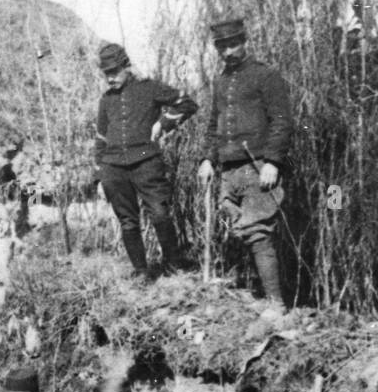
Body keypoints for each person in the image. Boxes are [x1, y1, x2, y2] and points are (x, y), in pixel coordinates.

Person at [196, 16, 293, 313]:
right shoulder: (221, 81)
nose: (228, 52)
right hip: (229, 169)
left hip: (257, 167)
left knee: (259, 234)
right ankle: (258, 295)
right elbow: (215, 126)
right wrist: (207, 159)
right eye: (222, 47)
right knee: (240, 228)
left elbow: (282, 121)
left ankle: (276, 305)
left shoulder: (265, 76)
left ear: (245, 41)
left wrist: (273, 162)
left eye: (233, 44)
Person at [94, 42, 198, 278]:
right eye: (106, 74)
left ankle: (173, 265)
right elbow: (100, 138)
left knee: (160, 213)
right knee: (128, 221)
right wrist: (100, 176)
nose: (110, 79)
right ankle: (141, 272)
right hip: (113, 168)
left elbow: (187, 103)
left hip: (146, 162)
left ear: (126, 67)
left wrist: (163, 123)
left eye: (114, 72)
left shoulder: (149, 88)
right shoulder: (106, 100)